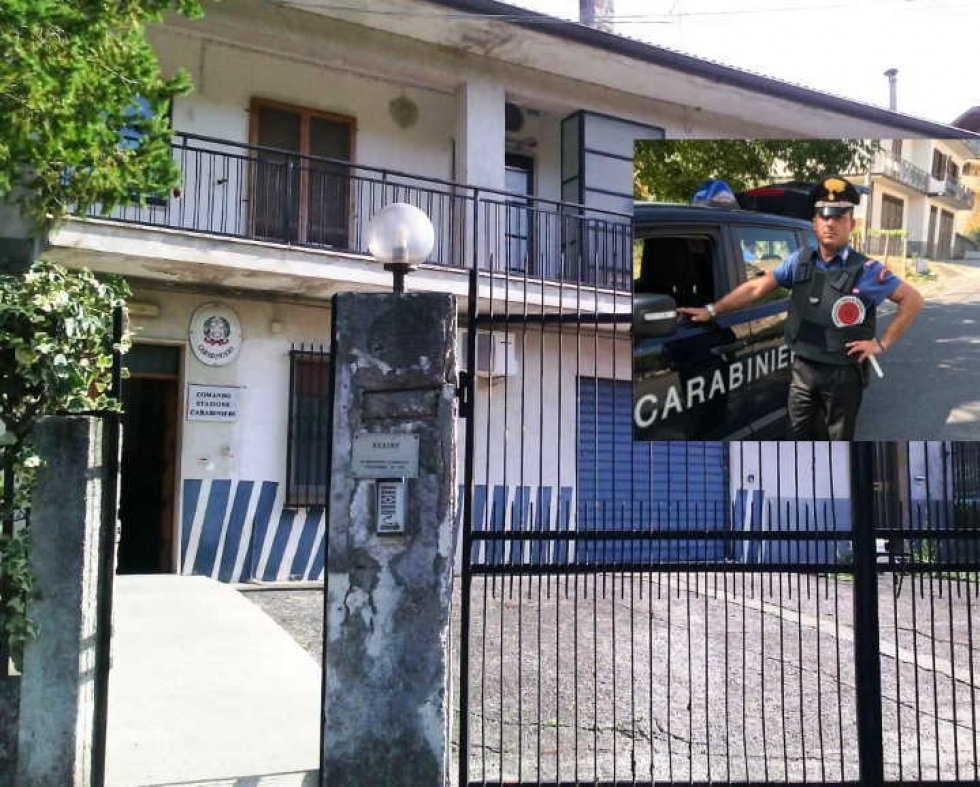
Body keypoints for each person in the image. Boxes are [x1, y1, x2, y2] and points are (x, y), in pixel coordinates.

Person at [678, 175, 924, 440]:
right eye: (823, 216)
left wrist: (881, 343)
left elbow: (912, 299)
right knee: (796, 437)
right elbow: (756, 287)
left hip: (841, 376)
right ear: (814, 223)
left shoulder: (866, 270)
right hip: (803, 371)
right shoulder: (799, 261)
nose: (830, 223)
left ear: (851, 223)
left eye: (839, 217)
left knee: (836, 441)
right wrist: (712, 310)